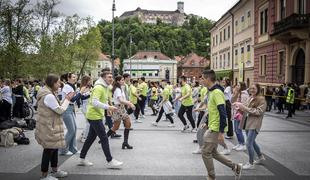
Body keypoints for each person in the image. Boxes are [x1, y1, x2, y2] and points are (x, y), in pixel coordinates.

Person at [201, 70, 242, 180]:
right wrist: (207, 122)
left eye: (202, 78)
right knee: (213, 152)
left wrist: (221, 131)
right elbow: (213, 110)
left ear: (208, 79)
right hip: (212, 125)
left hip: (216, 128)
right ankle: (235, 167)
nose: (201, 80)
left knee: (205, 152)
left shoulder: (217, 92)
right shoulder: (211, 92)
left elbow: (222, 112)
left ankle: (211, 176)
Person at [78, 71, 123, 168]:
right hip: (94, 116)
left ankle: (82, 158)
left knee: (91, 138)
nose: (111, 79)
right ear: (103, 78)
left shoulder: (105, 86)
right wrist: (108, 107)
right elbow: (94, 102)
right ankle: (110, 161)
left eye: (112, 77)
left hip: (96, 115)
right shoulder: (99, 87)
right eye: (109, 77)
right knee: (104, 138)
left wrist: (108, 108)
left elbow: (104, 99)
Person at [35, 74, 75, 180]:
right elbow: (60, 110)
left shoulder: (48, 92)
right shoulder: (48, 95)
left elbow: (56, 107)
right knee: (48, 150)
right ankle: (44, 175)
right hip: (49, 126)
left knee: (54, 148)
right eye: (58, 82)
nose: (60, 84)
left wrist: (65, 100)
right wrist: (67, 99)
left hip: (49, 125)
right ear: (52, 83)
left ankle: (55, 170)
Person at [234, 84, 267, 170]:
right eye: (251, 88)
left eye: (254, 88)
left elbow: (259, 112)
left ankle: (250, 162)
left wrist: (243, 107)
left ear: (258, 89)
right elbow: (246, 108)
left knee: (248, 143)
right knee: (252, 142)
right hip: (248, 123)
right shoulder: (250, 97)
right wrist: (239, 108)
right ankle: (260, 157)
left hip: (255, 124)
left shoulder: (261, 99)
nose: (252, 90)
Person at [59, 73, 87, 155]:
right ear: (68, 78)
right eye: (73, 77)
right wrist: (81, 92)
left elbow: (78, 98)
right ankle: (63, 149)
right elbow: (72, 99)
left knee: (74, 129)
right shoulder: (67, 87)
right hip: (66, 108)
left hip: (70, 108)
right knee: (71, 130)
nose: (75, 78)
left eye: (75, 77)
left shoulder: (71, 86)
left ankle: (73, 149)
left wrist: (84, 93)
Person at [106, 75, 136, 149]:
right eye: (122, 80)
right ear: (118, 81)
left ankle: (125, 143)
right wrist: (130, 104)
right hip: (118, 108)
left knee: (127, 124)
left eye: (123, 80)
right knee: (116, 127)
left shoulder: (120, 88)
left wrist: (128, 102)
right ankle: (104, 138)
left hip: (121, 108)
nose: (123, 81)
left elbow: (123, 99)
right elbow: (120, 100)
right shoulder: (117, 89)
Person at [231, 82, 249, 151]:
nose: (237, 86)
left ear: (242, 86)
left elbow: (244, 105)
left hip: (241, 114)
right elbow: (232, 101)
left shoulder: (244, 95)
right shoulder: (238, 93)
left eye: (238, 85)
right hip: (236, 113)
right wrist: (235, 93)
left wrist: (237, 107)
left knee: (239, 130)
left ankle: (243, 144)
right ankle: (239, 143)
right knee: (236, 130)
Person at [79, 75, 92, 143]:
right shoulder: (83, 88)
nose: (90, 81)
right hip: (85, 107)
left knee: (89, 122)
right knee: (89, 123)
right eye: (89, 80)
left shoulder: (89, 87)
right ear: (86, 81)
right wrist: (90, 94)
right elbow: (81, 98)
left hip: (88, 106)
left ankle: (83, 134)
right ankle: (84, 137)